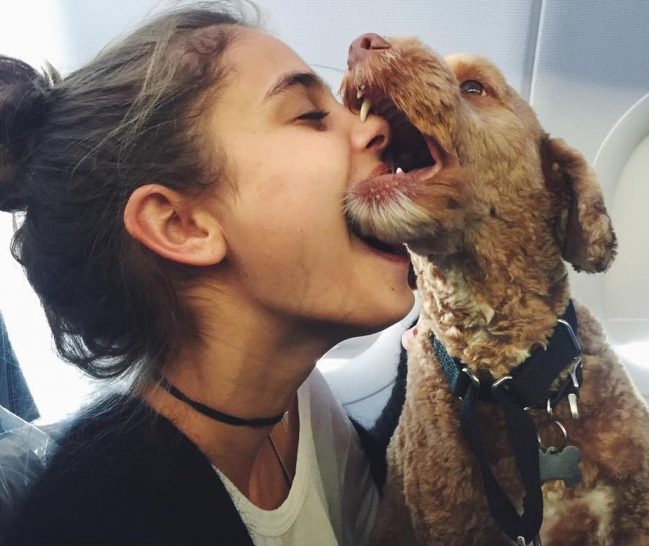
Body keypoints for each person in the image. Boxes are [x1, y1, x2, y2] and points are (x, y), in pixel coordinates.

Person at [0, 2, 414, 544]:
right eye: (310, 115)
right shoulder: (104, 520)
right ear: (181, 225)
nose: (374, 126)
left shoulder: (296, 399)